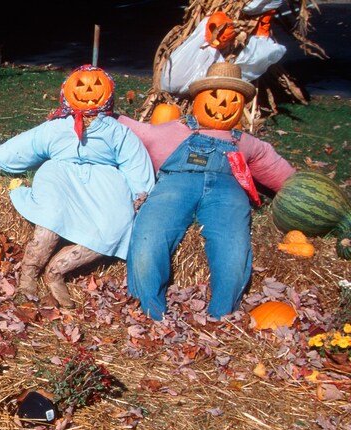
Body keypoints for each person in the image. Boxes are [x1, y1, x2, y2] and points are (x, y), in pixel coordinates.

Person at [0, 65, 155, 307]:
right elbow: (14, 151)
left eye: (96, 85)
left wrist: (140, 195)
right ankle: (28, 274)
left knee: (116, 225)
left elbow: (135, 162)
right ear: (67, 90)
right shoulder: (56, 127)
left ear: (109, 92)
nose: (89, 90)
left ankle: (56, 271)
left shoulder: (118, 132)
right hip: (60, 176)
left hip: (104, 184)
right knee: (50, 218)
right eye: (81, 85)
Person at [118, 61, 295, 320]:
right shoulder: (172, 130)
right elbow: (136, 131)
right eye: (214, 96)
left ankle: (220, 316)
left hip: (227, 191)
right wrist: (104, 116)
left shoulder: (245, 142)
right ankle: (150, 311)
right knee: (149, 235)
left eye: (232, 99)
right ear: (198, 99)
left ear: (242, 106)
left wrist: (306, 193)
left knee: (233, 245)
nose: (222, 105)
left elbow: (281, 174)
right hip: (175, 185)